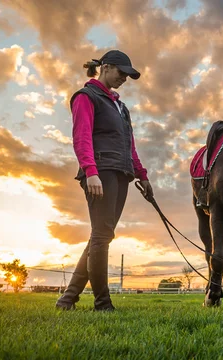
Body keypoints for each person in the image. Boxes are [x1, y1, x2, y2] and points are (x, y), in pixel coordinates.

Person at [56, 50, 153, 311]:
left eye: (128, 76)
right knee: (101, 235)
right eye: (121, 73)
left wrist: (142, 175)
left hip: (121, 173)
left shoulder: (121, 107)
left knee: (101, 236)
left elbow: (129, 145)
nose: (124, 78)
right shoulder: (86, 97)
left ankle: (67, 300)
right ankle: (103, 303)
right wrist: (91, 171)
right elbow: (82, 136)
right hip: (101, 172)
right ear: (106, 67)